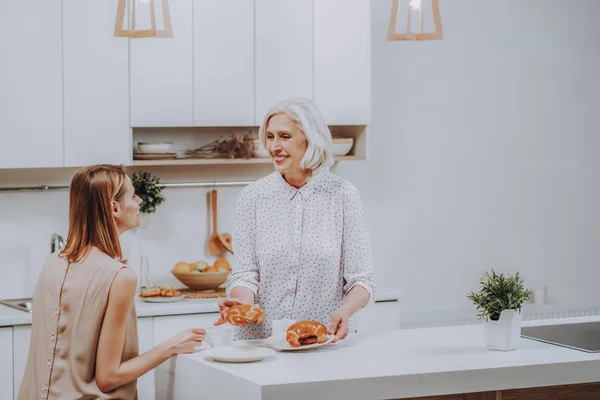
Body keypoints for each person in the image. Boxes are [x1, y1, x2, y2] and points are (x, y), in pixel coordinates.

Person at [18, 164, 205, 400]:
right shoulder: (120, 276)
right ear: (114, 208)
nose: (139, 202)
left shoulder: (53, 262)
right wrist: (171, 347)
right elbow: (109, 378)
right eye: (133, 195)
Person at [215, 97, 377, 342]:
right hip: (261, 342)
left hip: (322, 340)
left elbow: (362, 280)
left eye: (285, 136)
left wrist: (346, 311)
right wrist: (243, 305)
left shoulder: (343, 195)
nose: (274, 146)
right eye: (270, 137)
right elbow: (244, 274)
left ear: (311, 139)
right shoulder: (253, 197)